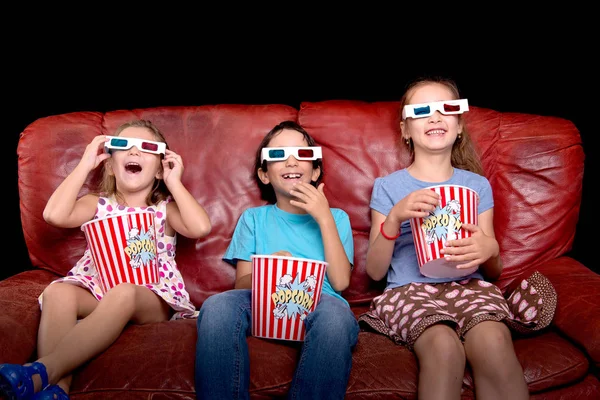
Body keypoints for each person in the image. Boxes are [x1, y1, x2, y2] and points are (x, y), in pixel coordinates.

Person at [358, 77, 556, 399]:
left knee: (493, 340)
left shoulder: (477, 186)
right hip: (408, 291)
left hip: (469, 287)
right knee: (442, 345)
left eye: (446, 109)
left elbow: (492, 269)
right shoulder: (388, 187)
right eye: (422, 111)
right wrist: (395, 216)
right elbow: (376, 272)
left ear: (459, 126)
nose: (435, 117)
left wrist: (490, 249)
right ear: (406, 129)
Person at [0, 119, 211, 400]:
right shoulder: (96, 204)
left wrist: (174, 182)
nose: (134, 153)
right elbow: (54, 215)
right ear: (111, 166)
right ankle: (55, 392)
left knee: (124, 292)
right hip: (100, 290)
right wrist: (86, 163)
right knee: (58, 291)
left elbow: (200, 227)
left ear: (159, 169)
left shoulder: (164, 210)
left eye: (146, 148)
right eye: (124, 146)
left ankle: (42, 370)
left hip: (152, 296)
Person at [194, 121, 359, 400]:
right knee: (217, 305)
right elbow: (241, 285)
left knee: (335, 318)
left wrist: (323, 216)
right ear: (264, 174)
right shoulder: (254, 219)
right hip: (262, 298)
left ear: (315, 171)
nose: (291, 161)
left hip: (322, 301)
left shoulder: (338, 218)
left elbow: (341, 282)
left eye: (301, 154)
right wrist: (266, 269)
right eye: (278, 155)